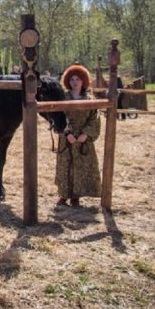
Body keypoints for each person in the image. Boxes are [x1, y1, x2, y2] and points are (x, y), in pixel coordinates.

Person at [55, 65, 101, 207]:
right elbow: (58, 117)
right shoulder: (63, 98)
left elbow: (95, 118)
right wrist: (66, 133)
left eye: (78, 79)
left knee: (82, 167)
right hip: (67, 139)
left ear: (84, 81)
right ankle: (63, 196)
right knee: (65, 166)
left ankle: (76, 196)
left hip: (83, 140)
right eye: (72, 79)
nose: (75, 82)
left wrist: (86, 134)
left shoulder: (90, 99)